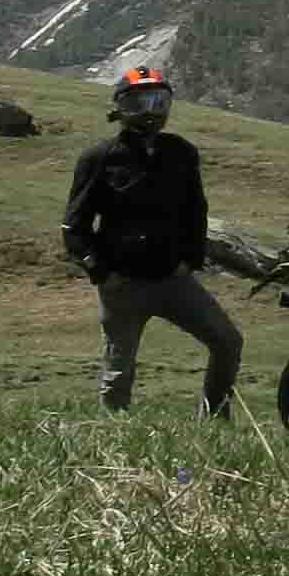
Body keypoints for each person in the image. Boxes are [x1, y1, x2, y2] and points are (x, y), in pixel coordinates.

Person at [61, 66, 241, 417]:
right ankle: (115, 436)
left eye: (159, 102)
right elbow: (74, 225)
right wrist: (101, 273)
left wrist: (190, 260)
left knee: (227, 341)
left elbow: (196, 211)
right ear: (120, 108)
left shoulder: (182, 153)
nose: (151, 111)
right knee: (118, 372)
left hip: (174, 279)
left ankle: (215, 421)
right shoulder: (99, 159)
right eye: (139, 103)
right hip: (123, 285)